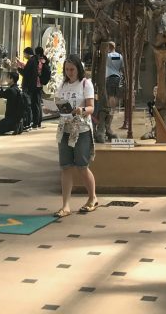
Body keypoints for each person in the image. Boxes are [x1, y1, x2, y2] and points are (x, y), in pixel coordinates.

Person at [54, 54, 97, 218]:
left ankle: (92, 198)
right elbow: (59, 103)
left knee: (82, 166)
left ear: (78, 68)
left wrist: (82, 110)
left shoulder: (86, 84)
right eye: (67, 69)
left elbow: (91, 107)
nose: (69, 72)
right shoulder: (63, 85)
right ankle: (65, 206)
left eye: (72, 69)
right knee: (65, 166)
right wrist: (51, 108)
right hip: (64, 128)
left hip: (81, 129)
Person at [0, 70, 26, 135]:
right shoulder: (17, 90)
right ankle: (17, 126)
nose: (6, 79)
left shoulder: (10, 90)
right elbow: (3, 93)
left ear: (11, 79)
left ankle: (13, 126)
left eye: (8, 78)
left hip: (10, 118)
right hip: (17, 118)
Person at [18, 47, 38, 129]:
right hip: (32, 85)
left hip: (28, 86)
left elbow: (26, 73)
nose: (24, 55)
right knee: (31, 104)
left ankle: (28, 122)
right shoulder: (34, 60)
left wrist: (18, 69)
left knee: (27, 104)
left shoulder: (31, 61)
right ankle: (32, 122)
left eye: (24, 54)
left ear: (27, 53)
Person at [33, 46, 50, 128]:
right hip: (41, 84)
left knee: (36, 103)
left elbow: (37, 72)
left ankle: (36, 121)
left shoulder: (40, 62)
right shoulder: (45, 60)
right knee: (38, 103)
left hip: (37, 83)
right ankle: (39, 121)